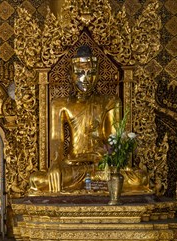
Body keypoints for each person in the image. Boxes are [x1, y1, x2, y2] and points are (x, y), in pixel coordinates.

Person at [29, 45, 149, 193]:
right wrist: (55, 164)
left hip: (102, 166)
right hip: (74, 167)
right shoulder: (60, 104)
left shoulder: (111, 102)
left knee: (140, 179)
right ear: (70, 75)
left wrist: (117, 162)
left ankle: (90, 183)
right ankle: (93, 184)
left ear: (97, 75)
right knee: (37, 180)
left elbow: (114, 139)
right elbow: (56, 140)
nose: (85, 78)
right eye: (79, 73)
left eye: (90, 72)